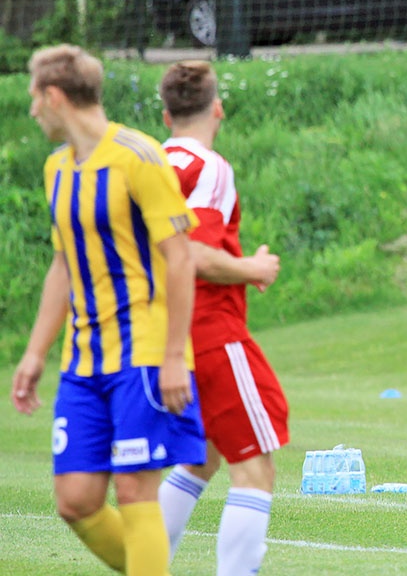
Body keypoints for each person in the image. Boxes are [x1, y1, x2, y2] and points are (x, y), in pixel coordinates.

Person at [11, 44, 206, 575]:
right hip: (83, 360)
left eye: (34, 98)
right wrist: (34, 354)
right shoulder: (58, 169)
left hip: (142, 350)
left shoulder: (139, 156)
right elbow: (62, 267)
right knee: (75, 499)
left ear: (53, 97)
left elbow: (181, 260)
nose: (31, 111)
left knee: (135, 488)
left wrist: (172, 357)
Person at [155, 60, 290, 576]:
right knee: (255, 466)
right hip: (208, 328)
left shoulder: (147, 163)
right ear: (217, 108)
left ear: (166, 115)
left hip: (157, 333)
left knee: (201, 456)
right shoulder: (208, 167)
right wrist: (249, 267)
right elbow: (193, 253)